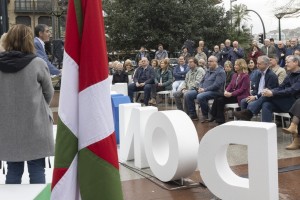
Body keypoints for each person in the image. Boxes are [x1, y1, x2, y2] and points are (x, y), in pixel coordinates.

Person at [0, 24, 54, 184]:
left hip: (8, 127)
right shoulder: (37, 63)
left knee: (13, 170)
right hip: (35, 126)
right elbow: (49, 93)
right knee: (37, 169)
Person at [210, 59, 250, 124]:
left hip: (240, 96)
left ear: (241, 66)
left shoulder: (245, 76)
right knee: (220, 99)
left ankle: (213, 114)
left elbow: (242, 89)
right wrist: (226, 91)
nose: (234, 66)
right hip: (233, 95)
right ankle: (220, 120)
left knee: (218, 95)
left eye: (236, 65)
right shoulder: (235, 75)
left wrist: (231, 94)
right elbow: (230, 85)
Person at [194, 56, 226, 122]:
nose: (209, 63)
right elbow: (202, 80)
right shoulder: (208, 70)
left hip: (216, 91)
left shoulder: (220, 72)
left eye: (211, 61)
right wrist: (200, 87)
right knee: (188, 95)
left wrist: (204, 90)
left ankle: (206, 115)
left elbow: (216, 85)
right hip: (204, 90)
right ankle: (192, 114)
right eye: (208, 61)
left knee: (200, 96)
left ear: (216, 62)